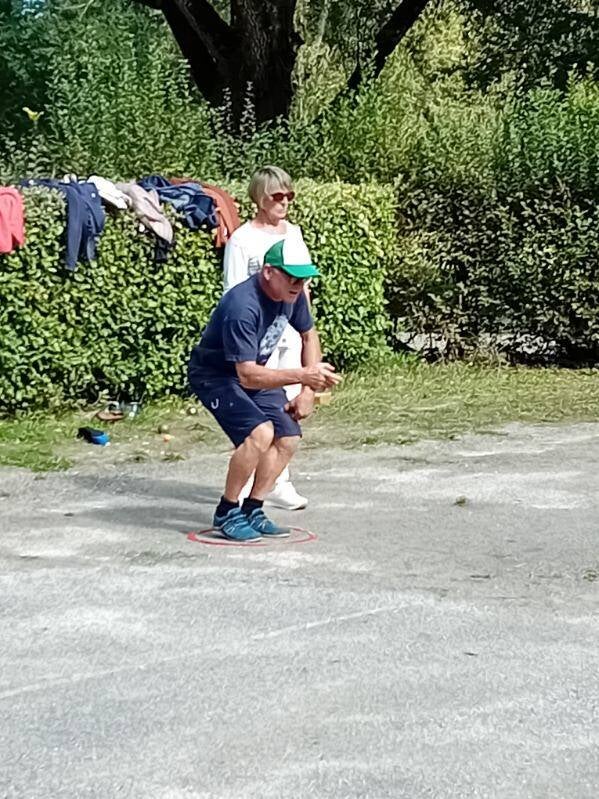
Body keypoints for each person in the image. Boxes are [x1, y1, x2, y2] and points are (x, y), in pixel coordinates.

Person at [188, 237, 341, 542]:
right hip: (216, 376)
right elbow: (245, 376)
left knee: (288, 436)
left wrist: (307, 391)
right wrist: (303, 375)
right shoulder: (242, 306)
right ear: (269, 272)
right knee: (260, 433)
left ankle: (253, 509)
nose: (299, 284)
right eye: (293, 277)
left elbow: (309, 335)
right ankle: (227, 511)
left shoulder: (293, 295)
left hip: (255, 373)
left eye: (304, 278)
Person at [222, 165, 312, 510]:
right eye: (277, 195)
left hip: (288, 333)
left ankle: (277, 482)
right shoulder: (242, 239)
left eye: (290, 195)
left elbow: (303, 286)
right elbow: (233, 292)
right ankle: (244, 484)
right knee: (257, 413)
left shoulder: (294, 234)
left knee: (287, 410)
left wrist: (306, 330)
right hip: (257, 340)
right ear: (260, 198)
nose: (285, 201)